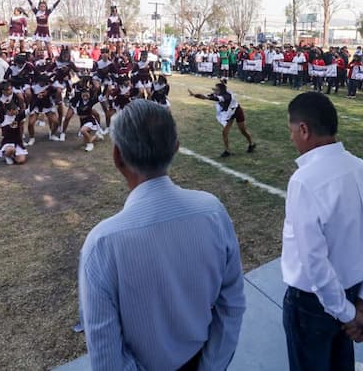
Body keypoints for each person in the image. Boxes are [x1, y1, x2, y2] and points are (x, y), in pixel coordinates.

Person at [79, 100, 245, 370]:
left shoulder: (102, 244)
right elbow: (232, 303)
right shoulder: (212, 212)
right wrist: (212, 366)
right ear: (176, 148)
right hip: (205, 360)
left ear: (117, 156)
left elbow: (106, 356)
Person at [282, 92, 363, 371]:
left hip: (314, 304)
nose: (291, 138)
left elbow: (314, 263)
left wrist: (348, 314)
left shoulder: (305, 180)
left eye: (291, 131)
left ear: (304, 129)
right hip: (353, 293)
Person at [188, 80, 256, 157]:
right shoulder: (220, 93)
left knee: (243, 131)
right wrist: (194, 95)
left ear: (221, 91)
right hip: (229, 113)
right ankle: (227, 151)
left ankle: (251, 144)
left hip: (236, 111)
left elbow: (210, 98)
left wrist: (200, 96)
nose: (214, 90)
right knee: (224, 132)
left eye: (216, 89)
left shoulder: (225, 97)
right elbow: (204, 96)